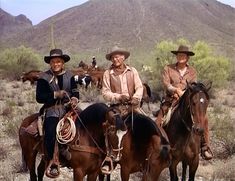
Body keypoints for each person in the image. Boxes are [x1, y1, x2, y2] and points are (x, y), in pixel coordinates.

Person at [156, 45, 213, 160]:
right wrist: (175, 90)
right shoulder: (168, 68)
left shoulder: (192, 71)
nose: (180, 57)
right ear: (176, 56)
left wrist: (184, 93)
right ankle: (158, 146)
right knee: (160, 118)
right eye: (179, 55)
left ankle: (205, 146)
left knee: (203, 119)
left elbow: (194, 87)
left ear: (187, 58)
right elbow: (166, 84)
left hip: (187, 100)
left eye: (183, 55)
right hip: (171, 99)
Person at [36, 48, 79, 176]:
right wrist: (55, 94)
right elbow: (39, 97)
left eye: (58, 61)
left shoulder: (70, 75)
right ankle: (52, 161)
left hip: (68, 108)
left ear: (62, 62)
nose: (56, 64)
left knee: (85, 124)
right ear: (50, 63)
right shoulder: (44, 77)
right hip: (52, 110)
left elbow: (75, 90)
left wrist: (75, 99)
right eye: (53, 62)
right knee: (50, 132)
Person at [102, 46, 144, 117]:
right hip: (116, 108)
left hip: (133, 107)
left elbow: (139, 87)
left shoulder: (132, 71)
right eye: (113, 58)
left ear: (123, 57)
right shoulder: (108, 73)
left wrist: (136, 98)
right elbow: (105, 93)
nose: (115, 59)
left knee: (147, 124)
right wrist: (119, 97)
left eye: (117, 57)